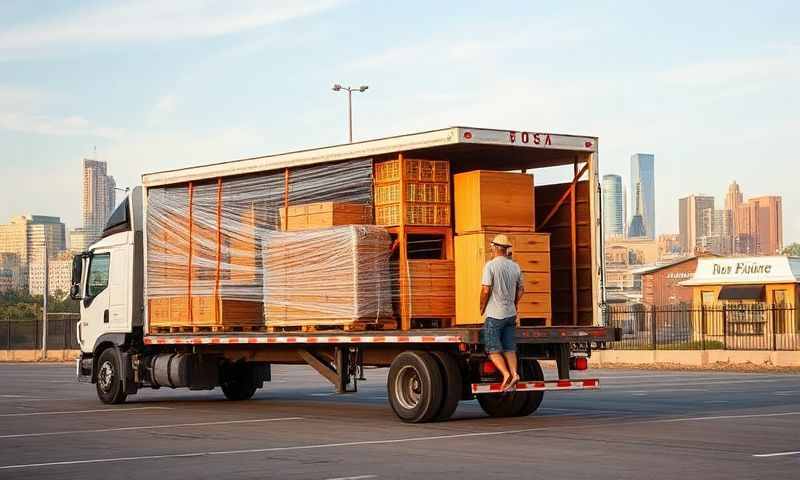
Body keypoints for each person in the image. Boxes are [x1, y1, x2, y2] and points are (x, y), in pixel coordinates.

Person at [479, 234, 524, 391]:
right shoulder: (515, 266)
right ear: (506, 249)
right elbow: (521, 289)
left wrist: (481, 307)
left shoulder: (490, 266)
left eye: (492, 246)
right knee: (509, 347)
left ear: (495, 248)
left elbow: (486, 290)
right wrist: (514, 304)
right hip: (510, 314)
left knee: (492, 349)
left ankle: (505, 374)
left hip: (494, 314)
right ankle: (515, 373)